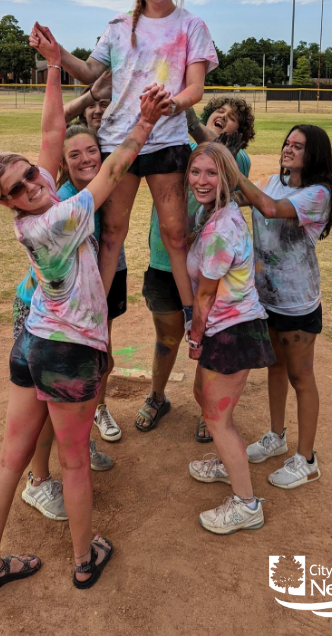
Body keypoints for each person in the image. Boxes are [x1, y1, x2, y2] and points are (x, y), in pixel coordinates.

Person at [0, 23, 165, 596]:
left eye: (31, 172)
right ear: (8, 204)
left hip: (32, 342)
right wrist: (145, 123)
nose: (34, 181)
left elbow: (53, 130)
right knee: (75, 463)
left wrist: (55, 66)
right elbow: (109, 172)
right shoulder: (59, 217)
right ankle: (84, 559)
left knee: (11, 458)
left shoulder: (37, 206)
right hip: (67, 350)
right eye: (20, 186)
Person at [52, 0, 218, 341]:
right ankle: (96, 316)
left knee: (175, 234)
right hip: (119, 140)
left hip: (166, 140)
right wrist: (56, 51)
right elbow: (91, 71)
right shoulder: (118, 26)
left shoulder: (191, 26)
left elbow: (195, 88)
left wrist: (171, 104)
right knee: (111, 233)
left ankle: (192, 316)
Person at [18, 121, 121, 524]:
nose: (85, 159)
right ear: (62, 162)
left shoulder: (100, 196)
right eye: (73, 154)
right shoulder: (63, 200)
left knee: (80, 387)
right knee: (45, 404)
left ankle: (77, 440)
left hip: (81, 312)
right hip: (44, 315)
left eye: (91, 150)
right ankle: (39, 480)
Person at [135, 96, 257, 438]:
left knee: (208, 334)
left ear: (240, 132)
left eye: (232, 117)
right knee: (167, 335)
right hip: (163, 260)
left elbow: (216, 151)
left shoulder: (237, 159)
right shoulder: (183, 148)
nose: (223, 116)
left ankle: (210, 407)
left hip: (206, 269)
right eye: (219, 111)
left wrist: (190, 118)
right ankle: (157, 396)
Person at [237, 125, 332, 489]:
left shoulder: (317, 194)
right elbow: (241, 197)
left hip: (297, 303)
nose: (288, 149)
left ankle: (307, 459)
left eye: (298, 146)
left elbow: (268, 207)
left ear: (313, 156)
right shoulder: (270, 180)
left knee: (301, 376)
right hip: (265, 297)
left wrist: (234, 172)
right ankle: (276, 436)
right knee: (275, 369)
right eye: (287, 143)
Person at [179, 142, 276, 534]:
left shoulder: (220, 228)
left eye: (211, 173)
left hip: (231, 330)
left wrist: (196, 338)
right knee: (205, 399)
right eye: (195, 171)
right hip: (227, 326)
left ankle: (246, 505)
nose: (201, 180)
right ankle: (226, 460)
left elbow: (204, 294)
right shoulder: (213, 212)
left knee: (218, 419)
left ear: (227, 177)